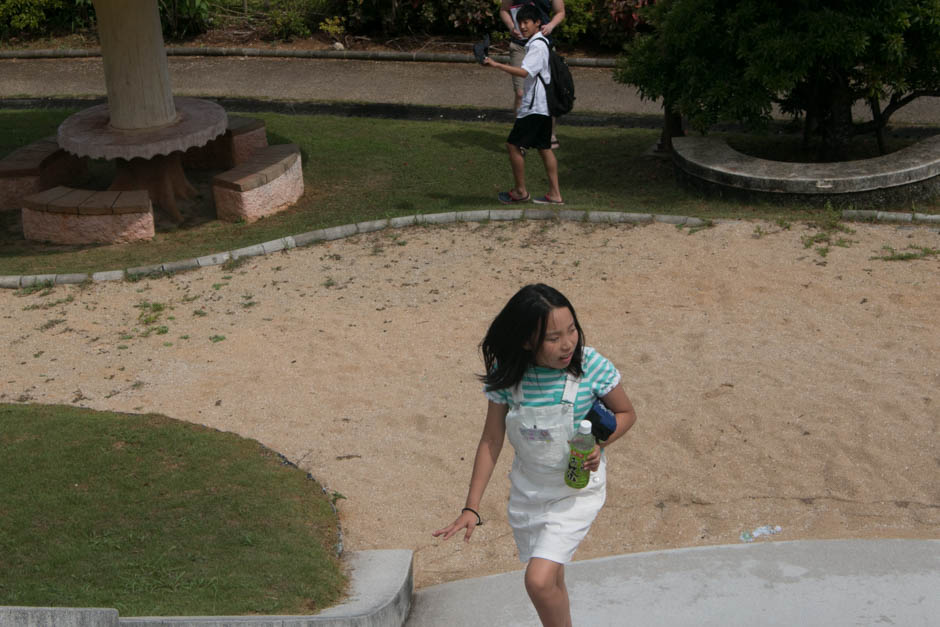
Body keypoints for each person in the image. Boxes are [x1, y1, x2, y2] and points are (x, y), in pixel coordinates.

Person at [433, 283, 638, 627]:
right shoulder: (509, 374)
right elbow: (491, 440)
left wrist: (600, 445)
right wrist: (471, 507)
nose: (568, 343)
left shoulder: (591, 366)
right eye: (553, 337)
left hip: (576, 491)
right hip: (528, 493)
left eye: (572, 329)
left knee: (538, 581)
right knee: (552, 580)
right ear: (526, 341)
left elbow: (627, 414)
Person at [483, 4, 564, 205]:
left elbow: (524, 72)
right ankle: (555, 194)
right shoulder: (538, 43)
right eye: (520, 22)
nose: (523, 27)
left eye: (526, 22)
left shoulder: (537, 46)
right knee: (544, 148)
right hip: (542, 106)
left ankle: (520, 192)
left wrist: (496, 64)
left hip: (535, 107)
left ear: (538, 23)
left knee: (513, 145)